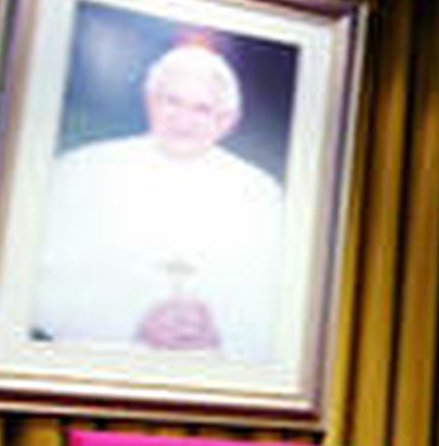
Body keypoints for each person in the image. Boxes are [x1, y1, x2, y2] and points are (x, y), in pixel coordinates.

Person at [33, 42, 287, 362]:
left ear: (228, 120)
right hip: (99, 367)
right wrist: (130, 323)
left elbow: (280, 307)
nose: (183, 120)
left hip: (215, 378)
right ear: (149, 101)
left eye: (202, 109)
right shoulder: (79, 170)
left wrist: (221, 330)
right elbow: (36, 287)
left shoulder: (262, 195)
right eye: (172, 102)